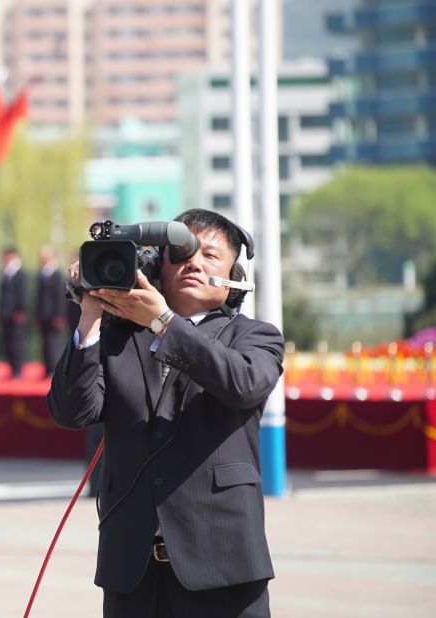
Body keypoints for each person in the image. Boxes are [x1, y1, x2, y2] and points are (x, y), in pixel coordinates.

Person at [47, 209, 283, 617]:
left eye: (209, 255)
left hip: (222, 567)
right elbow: (72, 412)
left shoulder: (256, 337)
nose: (192, 262)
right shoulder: (117, 336)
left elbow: (240, 384)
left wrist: (163, 321)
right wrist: (90, 314)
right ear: (159, 267)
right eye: (180, 254)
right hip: (132, 573)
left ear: (234, 276)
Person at [35, 246, 67, 378]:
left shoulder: (57, 275)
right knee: (45, 344)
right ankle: (47, 368)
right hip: (43, 315)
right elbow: (38, 297)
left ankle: (54, 369)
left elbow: (60, 297)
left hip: (54, 316)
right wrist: (37, 315)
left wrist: (59, 315)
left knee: (54, 343)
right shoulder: (42, 274)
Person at [0, 246, 28, 378]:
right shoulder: (7, 273)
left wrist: (21, 310)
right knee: (8, 342)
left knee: (17, 343)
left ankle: (17, 369)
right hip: (6, 314)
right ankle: (12, 367)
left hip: (16, 315)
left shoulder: (20, 274)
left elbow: (23, 294)